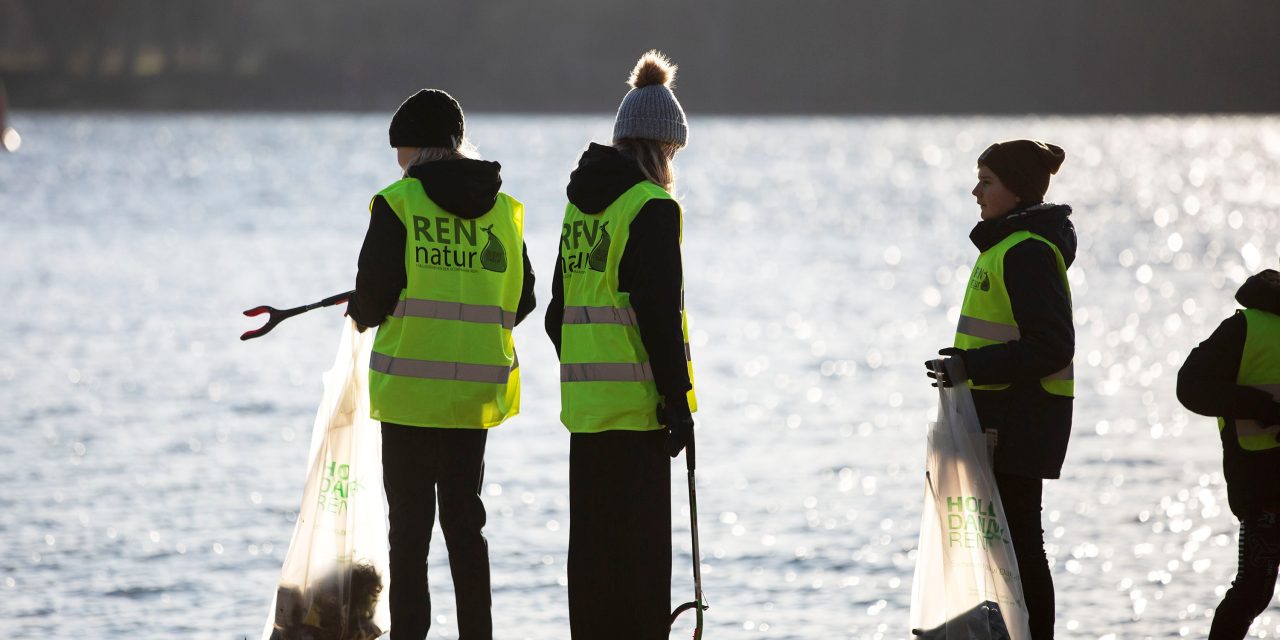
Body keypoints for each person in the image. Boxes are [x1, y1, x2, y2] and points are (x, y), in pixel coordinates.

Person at [347, 88, 536, 640]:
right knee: (465, 527)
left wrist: (361, 309)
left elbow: (373, 300)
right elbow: (521, 299)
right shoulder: (503, 210)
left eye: (400, 153)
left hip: (408, 395)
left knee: (409, 534)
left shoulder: (398, 204)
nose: (398, 166)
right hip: (472, 397)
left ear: (417, 151)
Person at [545, 50, 697, 639]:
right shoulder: (652, 208)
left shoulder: (580, 208)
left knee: (590, 559)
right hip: (637, 418)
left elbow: (559, 313)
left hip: (585, 415)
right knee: (640, 565)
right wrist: (676, 405)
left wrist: (588, 368)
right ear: (663, 148)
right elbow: (659, 317)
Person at [926, 139, 1075, 639]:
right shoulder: (1006, 246)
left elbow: (1052, 346)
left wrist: (971, 366)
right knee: (1003, 544)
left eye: (986, 182)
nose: (975, 191)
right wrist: (963, 370)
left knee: (1020, 544)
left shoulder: (1028, 251)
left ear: (1017, 191)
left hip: (1019, 421)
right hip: (997, 416)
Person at [1177, 267, 1280, 639]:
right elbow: (1190, 386)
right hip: (1265, 488)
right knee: (1253, 591)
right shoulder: (1245, 329)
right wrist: (1260, 406)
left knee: (1252, 591)